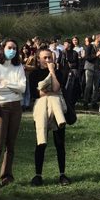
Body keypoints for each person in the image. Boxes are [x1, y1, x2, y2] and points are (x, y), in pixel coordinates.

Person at [0, 39, 26, 189]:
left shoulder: (18, 66)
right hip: (0, 106)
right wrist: (13, 87)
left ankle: (7, 176)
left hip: (16, 107)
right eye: (9, 47)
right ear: (3, 48)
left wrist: (6, 84)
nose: (12, 50)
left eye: (15, 48)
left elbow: (23, 88)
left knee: (11, 144)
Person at [29, 48, 70, 186]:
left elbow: (57, 88)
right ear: (38, 59)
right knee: (41, 143)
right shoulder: (34, 74)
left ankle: (62, 174)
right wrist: (48, 90)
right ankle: (38, 175)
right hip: (41, 109)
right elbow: (38, 93)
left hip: (57, 109)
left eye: (50, 58)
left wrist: (52, 72)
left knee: (60, 143)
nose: (48, 60)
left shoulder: (58, 72)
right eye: (45, 58)